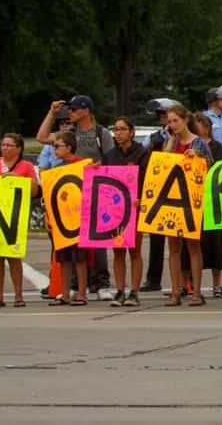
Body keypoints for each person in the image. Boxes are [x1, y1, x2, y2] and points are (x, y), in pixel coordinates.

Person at [36, 95, 114, 299]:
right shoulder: (68, 133)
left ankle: (101, 282)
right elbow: (42, 137)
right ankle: (76, 284)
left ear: (86, 111)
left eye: (74, 109)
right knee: (71, 238)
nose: (69, 113)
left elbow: (112, 160)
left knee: (97, 240)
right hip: (70, 194)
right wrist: (52, 113)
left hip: (94, 191)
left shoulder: (101, 133)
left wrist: (99, 170)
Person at [156, 105, 210, 307]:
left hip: (191, 198)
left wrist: (196, 158)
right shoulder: (170, 142)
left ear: (185, 120)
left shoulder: (198, 143)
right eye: (169, 122)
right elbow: (164, 164)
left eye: (175, 121)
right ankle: (175, 289)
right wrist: (170, 139)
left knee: (193, 246)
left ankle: (196, 291)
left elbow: (209, 166)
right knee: (174, 247)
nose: (172, 125)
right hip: (172, 198)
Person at [0, 133, 39, 308]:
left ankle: (18, 295)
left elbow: (35, 191)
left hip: (15, 215)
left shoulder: (26, 166)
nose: (5, 148)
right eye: (3, 144)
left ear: (18, 148)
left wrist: (19, 179)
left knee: (14, 256)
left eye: (9, 145)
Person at [102, 116, 148, 306]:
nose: (118, 133)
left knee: (134, 250)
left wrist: (142, 200)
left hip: (135, 208)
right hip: (116, 209)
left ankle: (134, 292)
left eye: (122, 129)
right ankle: (120, 290)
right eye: (116, 130)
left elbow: (148, 181)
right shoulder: (110, 155)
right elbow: (104, 180)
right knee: (118, 251)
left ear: (131, 132)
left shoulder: (142, 153)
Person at [45, 131, 90, 307]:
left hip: (79, 217)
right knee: (62, 258)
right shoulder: (56, 170)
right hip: (61, 218)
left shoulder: (82, 165)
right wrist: (47, 216)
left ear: (69, 147)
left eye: (57, 146)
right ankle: (64, 294)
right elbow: (50, 197)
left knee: (80, 258)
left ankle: (81, 293)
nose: (54, 150)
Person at [191, 112, 222, 298]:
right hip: (191, 195)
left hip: (212, 195)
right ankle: (186, 283)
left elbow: (219, 168)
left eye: (198, 124)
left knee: (216, 241)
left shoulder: (217, 146)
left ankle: (217, 284)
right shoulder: (186, 143)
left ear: (206, 127)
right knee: (190, 241)